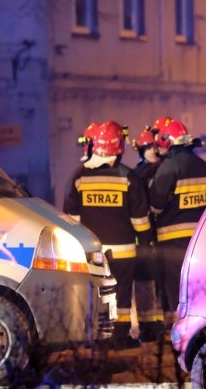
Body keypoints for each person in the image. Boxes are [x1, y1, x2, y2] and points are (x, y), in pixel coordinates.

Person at [64, 121, 153, 350]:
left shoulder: (79, 177)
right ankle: (120, 338)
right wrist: (145, 244)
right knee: (122, 297)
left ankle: (96, 338)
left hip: (91, 253)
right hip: (124, 253)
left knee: (96, 294)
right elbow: (140, 219)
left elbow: (71, 219)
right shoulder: (128, 177)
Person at [149, 117, 206, 324]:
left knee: (174, 286)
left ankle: (176, 330)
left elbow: (156, 205)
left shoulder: (169, 167)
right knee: (197, 285)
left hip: (172, 241)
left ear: (166, 141)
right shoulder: (205, 167)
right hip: (200, 240)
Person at [130, 123, 165, 342]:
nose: (152, 150)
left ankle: (161, 324)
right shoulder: (136, 175)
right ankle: (147, 325)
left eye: (154, 147)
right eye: (147, 147)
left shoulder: (167, 170)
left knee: (162, 282)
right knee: (145, 281)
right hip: (144, 235)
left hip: (164, 232)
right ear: (141, 150)